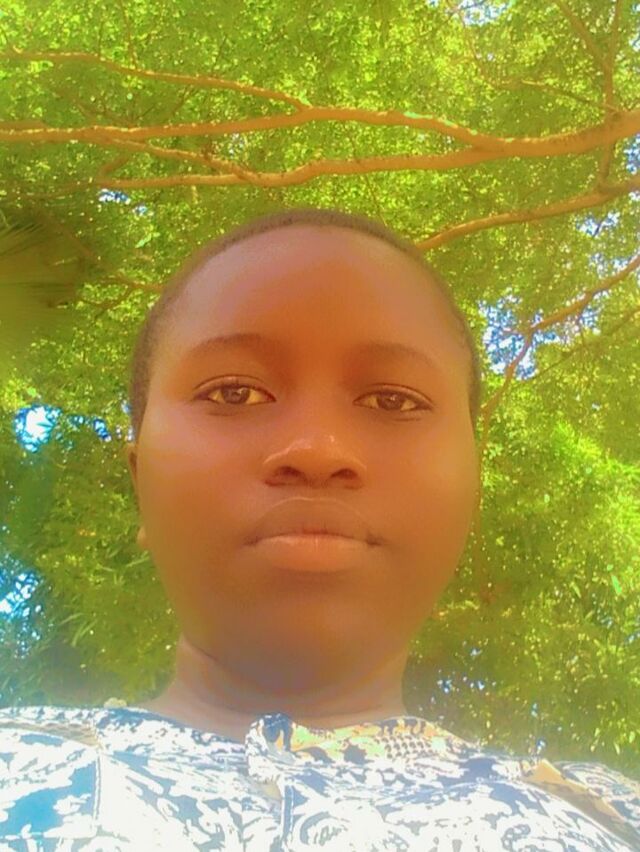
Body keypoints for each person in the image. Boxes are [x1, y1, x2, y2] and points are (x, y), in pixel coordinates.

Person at [0, 207, 638, 850]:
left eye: (392, 401)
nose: (317, 448)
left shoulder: (608, 819)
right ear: (141, 485)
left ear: (472, 486)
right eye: (234, 394)